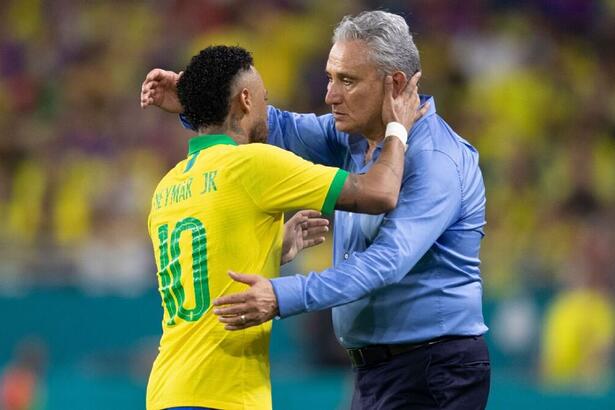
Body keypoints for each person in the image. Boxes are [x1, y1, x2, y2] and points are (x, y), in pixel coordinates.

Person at [141, 11, 489, 409]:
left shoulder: (437, 161)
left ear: (394, 84)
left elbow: (386, 262)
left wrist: (281, 294)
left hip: (432, 367)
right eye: (330, 77)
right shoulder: (350, 137)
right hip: (373, 370)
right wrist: (199, 100)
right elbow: (264, 124)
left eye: (347, 80)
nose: (330, 96)